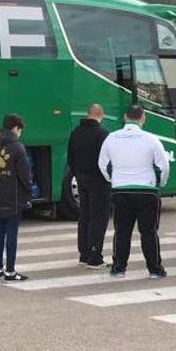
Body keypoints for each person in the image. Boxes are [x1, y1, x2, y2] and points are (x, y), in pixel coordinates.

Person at [98, 105, 170, 279]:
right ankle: (155, 270)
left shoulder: (111, 138)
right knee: (149, 232)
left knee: (122, 232)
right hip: (147, 191)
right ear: (143, 118)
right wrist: (160, 183)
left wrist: (112, 179)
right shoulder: (151, 138)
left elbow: (102, 164)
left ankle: (118, 269)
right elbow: (164, 165)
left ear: (125, 117)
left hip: (120, 190)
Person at [0, 114, 31, 282]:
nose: (20, 134)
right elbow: (25, 176)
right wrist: (28, 194)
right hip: (14, 197)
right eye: (20, 130)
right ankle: (10, 271)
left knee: (0, 231)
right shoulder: (18, 148)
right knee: (12, 233)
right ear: (15, 128)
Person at [67, 103, 111, 269]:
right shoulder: (102, 134)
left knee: (84, 215)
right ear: (101, 115)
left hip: (80, 178)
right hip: (98, 180)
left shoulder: (75, 132)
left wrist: (78, 173)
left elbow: (70, 157)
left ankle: (84, 255)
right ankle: (94, 256)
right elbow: (106, 159)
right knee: (98, 217)